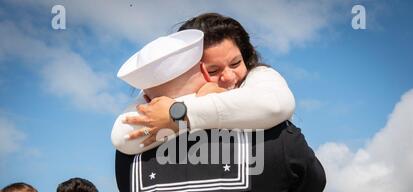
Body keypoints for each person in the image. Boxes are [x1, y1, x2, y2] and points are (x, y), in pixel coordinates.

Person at [114, 28, 326, 192]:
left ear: (145, 98)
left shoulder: (127, 154)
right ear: (203, 74)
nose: (229, 78)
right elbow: (312, 186)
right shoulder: (274, 135)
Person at [111, 13, 295, 155]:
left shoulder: (259, 76)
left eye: (236, 63)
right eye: (213, 71)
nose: (229, 77)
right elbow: (122, 135)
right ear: (193, 72)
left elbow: (276, 105)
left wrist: (179, 114)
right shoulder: (157, 96)